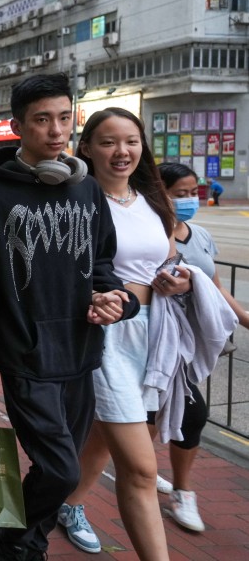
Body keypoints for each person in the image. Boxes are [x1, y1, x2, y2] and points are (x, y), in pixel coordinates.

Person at [0, 73, 138, 561]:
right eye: (42, 120)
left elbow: (102, 264)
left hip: (81, 352)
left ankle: (25, 544)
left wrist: (112, 297)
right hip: (25, 356)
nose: (56, 130)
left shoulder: (88, 191)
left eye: (64, 117)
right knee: (61, 471)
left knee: (59, 464)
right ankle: (8, 536)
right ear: (18, 126)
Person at [60, 107, 192, 558]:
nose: (122, 151)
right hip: (105, 337)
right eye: (109, 141)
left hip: (155, 336)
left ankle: (68, 503)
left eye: (131, 141)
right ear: (87, 148)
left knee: (104, 436)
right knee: (138, 468)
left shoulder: (155, 199)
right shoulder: (75, 199)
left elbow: (170, 260)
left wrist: (181, 279)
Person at [147, 162, 249, 531]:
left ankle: (181, 491)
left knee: (188, 413)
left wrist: (244, 318)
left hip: (190, 347)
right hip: (156, 340)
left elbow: (217, 287)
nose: (189, 200)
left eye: (194, 192)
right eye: (180, 193)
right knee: (145, 418)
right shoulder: (150, 233)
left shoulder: (201, 235)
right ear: (160, 192)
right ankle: (142, 473)